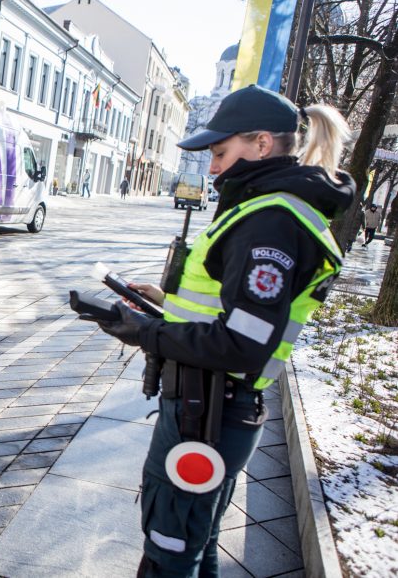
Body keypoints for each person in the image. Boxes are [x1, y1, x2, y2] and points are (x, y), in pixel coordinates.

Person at [96, 85, 354, 577]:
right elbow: (232, 311)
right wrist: (164, 303)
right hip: (214, 405)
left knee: (171, 550)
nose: (212, 168)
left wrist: (144, 332)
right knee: (197, 541)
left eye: (220, 152)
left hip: (211, 411)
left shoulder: (270, 222)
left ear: (261, 145)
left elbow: (241, 344)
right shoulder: (269, 210)